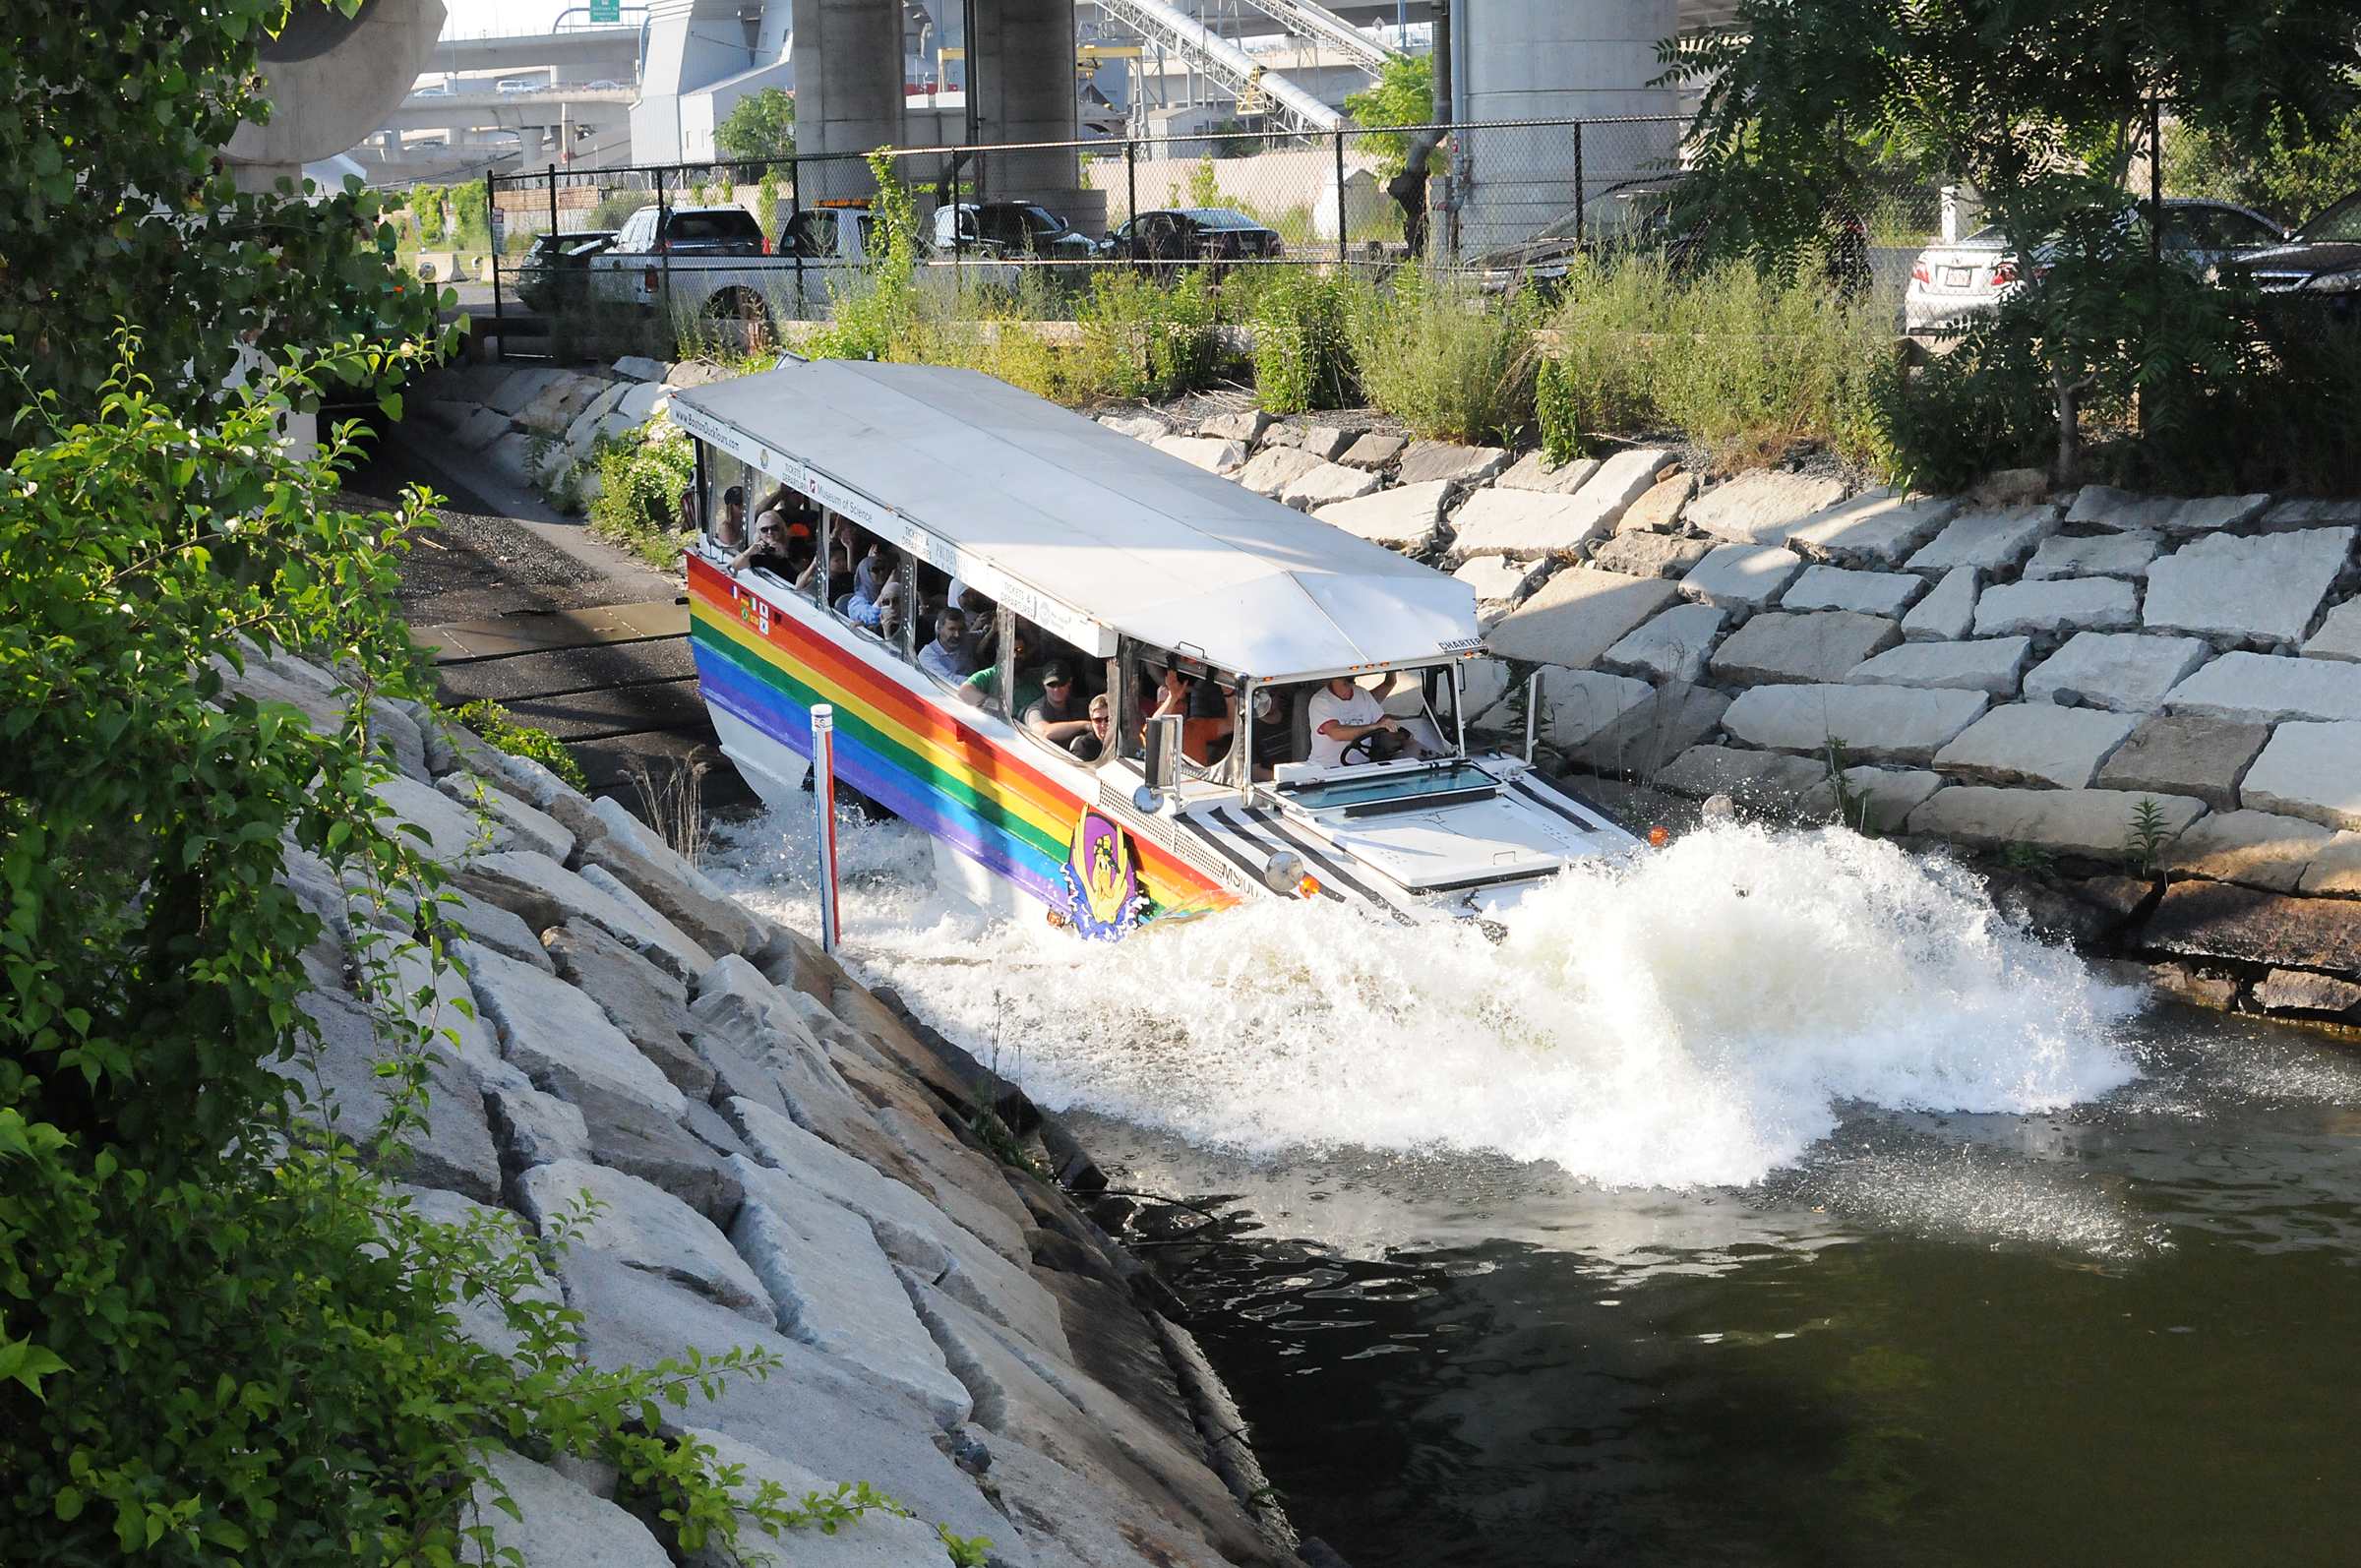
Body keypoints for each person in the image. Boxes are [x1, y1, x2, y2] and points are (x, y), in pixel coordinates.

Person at [1307, 673, 1405, 769]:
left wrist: (1402, 736)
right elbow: (1336, 734)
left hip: (1363, 768)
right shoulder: (1320, 700)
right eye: (1344, 677)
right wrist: (1375, 726)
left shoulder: (1362, 694)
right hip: (1328, 770)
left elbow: (1384, 725)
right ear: (1332, 677)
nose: (1350, 678)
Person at [957, 630, 1042, 716]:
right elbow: (964, 691)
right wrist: (1000, 707)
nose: (1015, 655)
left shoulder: (1034, 679)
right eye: (1010, 651)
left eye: (1020, 651)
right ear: (1000, 651)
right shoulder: (990, 675)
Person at [1022, 661, 1094, 748]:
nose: (1056, 689)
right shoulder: (1036, 709)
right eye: (1051, 685)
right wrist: (1083, 725)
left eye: (1061, 684)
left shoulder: (1080, 706)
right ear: (1044, 684)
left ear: (1069, 682)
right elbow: (1045, 732)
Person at [920, 606, 978, 683]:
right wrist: (980, 682)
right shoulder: (927, 655)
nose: (957, 635)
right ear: (939, 628)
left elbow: (979, 634)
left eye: (961, 629)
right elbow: (949, 679)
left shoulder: (966, 639)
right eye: (952, 629)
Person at [730, 512, 797, 576]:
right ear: (759, 533)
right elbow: (736, 566)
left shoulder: (794, 542)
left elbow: (803, 568)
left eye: (774, 528)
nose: (770, 532)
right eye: (764, 530)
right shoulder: (759, 550)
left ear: (781, 528)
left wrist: (786, 554)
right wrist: (748, 553)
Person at [1068, 693, 1112, 761]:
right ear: (1092, 720)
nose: (1103, 725)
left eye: (1108, 719)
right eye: (1098, 720)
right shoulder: (1083, 746)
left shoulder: (1124, 744)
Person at [714, 486, 748, 552]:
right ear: (730, 506)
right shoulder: (725, 528)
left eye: (745, 502)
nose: (743, 505)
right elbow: (732, 552)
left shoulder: (747, 520)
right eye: (738, 503)